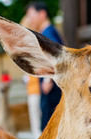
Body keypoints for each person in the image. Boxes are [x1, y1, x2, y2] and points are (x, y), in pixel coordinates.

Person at [25, 1, 63, 131]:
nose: (29, 20)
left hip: (51, 88)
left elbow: (56, 56)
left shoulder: (49, 33)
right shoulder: (47, 32)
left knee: (50, 125)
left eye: (31, 15)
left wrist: (48, 80)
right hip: (50, 87)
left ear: (42, 13)